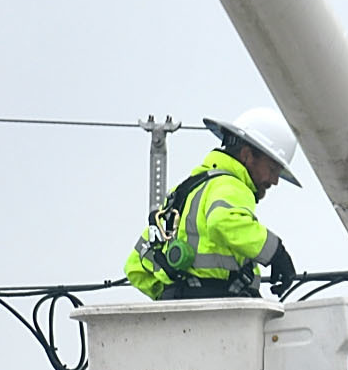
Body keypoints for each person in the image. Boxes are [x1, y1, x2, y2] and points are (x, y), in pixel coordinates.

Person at [126, 106, 302, 300]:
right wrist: (276, 252)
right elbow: (222, 221)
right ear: (247, 156)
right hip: (221, 316)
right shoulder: (231, 185)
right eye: (272, 169)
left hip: (179, 320)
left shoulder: (184, 193)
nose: (275, 180)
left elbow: (135, 267)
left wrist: (174, 297)